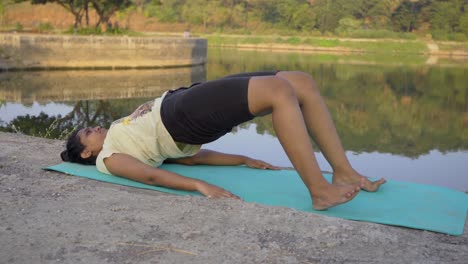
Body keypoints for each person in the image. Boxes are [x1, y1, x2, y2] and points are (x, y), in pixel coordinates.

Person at [61, 71, 386, 210]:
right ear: (88, 153)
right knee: (278, 91)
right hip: (178, 117)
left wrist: (242, 159)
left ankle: (343, 170)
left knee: (299, 81)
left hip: (180, 105)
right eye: (89, 133)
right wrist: (199, 186)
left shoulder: (125, 140)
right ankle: (319, 191)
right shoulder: (110, 159)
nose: (96, 128)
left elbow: (189, 159)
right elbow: (150, 175)